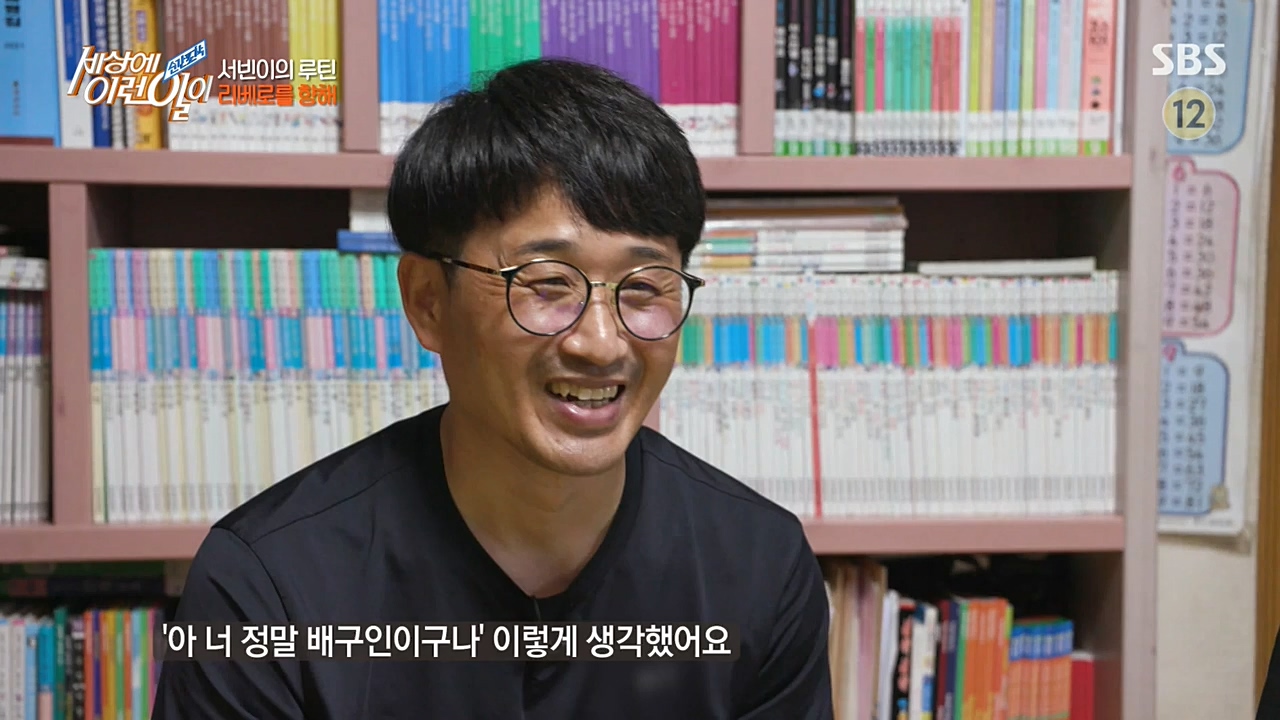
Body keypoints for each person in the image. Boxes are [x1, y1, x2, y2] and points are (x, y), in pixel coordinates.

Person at [152, 58, 833, 719]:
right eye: (548, 283)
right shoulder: (264, 586)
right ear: (427, 301)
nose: (601, 343)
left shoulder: (761, 566)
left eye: (644, 287)